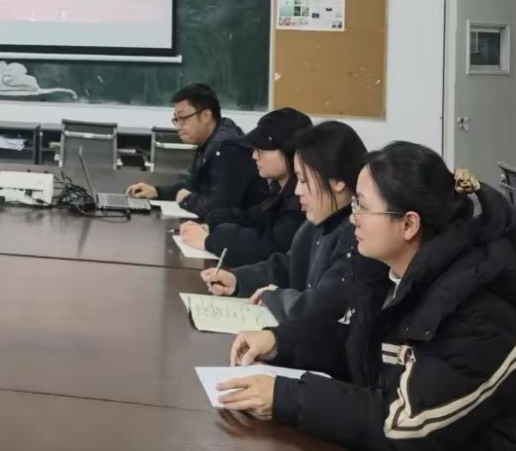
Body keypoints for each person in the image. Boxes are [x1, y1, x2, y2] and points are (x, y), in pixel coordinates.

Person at [219, 143, 516, 451]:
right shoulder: (398, 278)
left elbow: (406, 423)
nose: (352, 217)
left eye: (363, 206)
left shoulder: (480, 311)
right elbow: (358, 346)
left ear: (408, 225)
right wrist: (280, 342)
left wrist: (286, 396)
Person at [198, 121, 384, 323]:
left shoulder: (357, 237)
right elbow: (288, 267)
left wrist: (275, 298)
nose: (297, 191)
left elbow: (324, 306)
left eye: (304, 180)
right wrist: (238, 280)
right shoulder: (314, 225)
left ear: (337, 181)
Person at [179, 107, 312, 266]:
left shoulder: (302, 200)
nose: (255, 156)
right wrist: (211, 226)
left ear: (289, 151)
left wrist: (210, 241)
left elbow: (270, 248)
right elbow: (252, 217)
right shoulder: (280, 191)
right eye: (255, 149)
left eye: (262, 150)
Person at [125, 83, 267, 217]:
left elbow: (218, 209)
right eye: (176, 119)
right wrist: (157, 192)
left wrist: (187, 200)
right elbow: (192, 185)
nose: (178, 126)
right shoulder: (209, 139)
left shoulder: (226, 148)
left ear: (206, 116)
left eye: (183, 118)